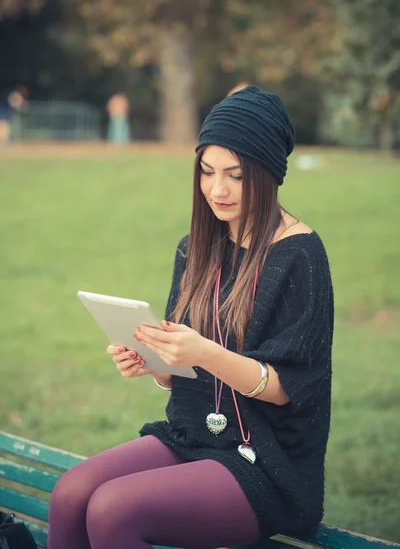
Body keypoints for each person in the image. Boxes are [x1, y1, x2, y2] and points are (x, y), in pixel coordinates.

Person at [48, 86, 334, 549]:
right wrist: (156, 365)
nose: (217, 189)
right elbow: (184, 374)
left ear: (268, 174)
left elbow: (289, 388)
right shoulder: (197, 246)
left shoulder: (299, 254)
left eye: (236, 175)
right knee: (71, 494)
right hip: (195, 432)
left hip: (265, 461)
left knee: (112, 510)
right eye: (207, 171)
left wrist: (205, 352)